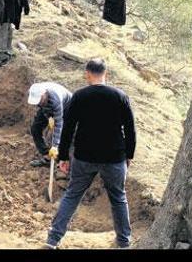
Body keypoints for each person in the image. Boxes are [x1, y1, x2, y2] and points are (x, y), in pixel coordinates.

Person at [45, 58, 136, 249]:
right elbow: (130, 129)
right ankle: (124, 242)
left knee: (72, 195)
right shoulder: (120, 96)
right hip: (114, 157)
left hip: (84, 157)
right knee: (119, 197)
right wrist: (129, 155)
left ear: (87, 73)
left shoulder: (79, 96)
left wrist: (63, 156)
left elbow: (68, 128)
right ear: (106, 73)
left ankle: (53, 239)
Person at [27, 82, 72, 168]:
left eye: (40, 101)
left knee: (63, 134)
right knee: (35, 128)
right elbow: (42, 107)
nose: (38, 103)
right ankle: (47, 156)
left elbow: (59, 124)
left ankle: (62, 161)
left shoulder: (56, 99)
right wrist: (49, 117)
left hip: (67, 107)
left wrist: (54, 146)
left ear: (44, 94)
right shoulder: (38, 97)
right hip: (48, 108)